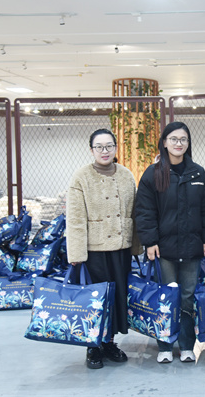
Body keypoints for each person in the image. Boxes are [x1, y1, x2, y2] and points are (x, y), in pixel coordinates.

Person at [134, 121, 205, 364]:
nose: (178, 143)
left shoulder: (198, 173)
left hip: (193, 248)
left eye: (183, 139)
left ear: (188, 143)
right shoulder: (153, 174)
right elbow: (145, 211)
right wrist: (150, 241)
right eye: (173, 139)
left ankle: (186, 346)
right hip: (164, 249)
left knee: (188, 297)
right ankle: (164, 346)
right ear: (164, 142)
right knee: (166, 296)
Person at [66, 128, 141, 369]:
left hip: (120, 248)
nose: (104, 151)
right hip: (94, 251)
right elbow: (75, 218)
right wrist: (76, 254)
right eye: (99, 147)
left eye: (109, 146)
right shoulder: (81, 177)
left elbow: (134, 213)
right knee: (96, 299)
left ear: (116, 148)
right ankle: (93, 346)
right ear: (91, 150)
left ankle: (109, 342)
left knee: (117, 298)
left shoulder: (126, 175)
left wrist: (136, 246)